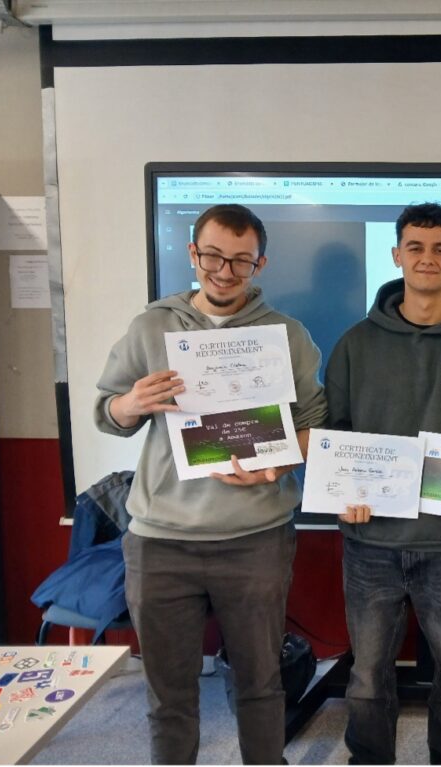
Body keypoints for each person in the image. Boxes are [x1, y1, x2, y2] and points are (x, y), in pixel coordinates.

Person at [95, 204, 327, 765]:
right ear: (193, 253)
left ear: (259, 264)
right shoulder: (151, 327)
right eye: (214, 257)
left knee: (260, 684)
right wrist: (132, 403)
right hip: (161, 541)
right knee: (169, 696)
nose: (225, 272)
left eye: (241, 261)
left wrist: (277, 464)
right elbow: (108, 413)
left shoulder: (286, 335)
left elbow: (315, 426)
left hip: (255, 537)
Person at [324, 202, 441, 765]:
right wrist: (344, 494)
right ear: (396, 255)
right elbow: (334, 433)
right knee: (366, 676)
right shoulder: (356, 342)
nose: (427, 258)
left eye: (439, 249)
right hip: (370, 543)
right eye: (415, 247)